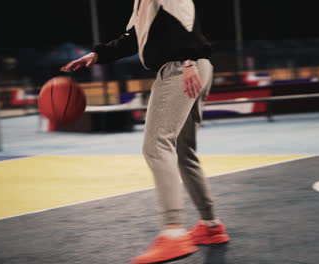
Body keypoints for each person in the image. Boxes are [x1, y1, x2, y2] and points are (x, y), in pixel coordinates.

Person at [60, 0, 229, 263]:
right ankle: (210, 225)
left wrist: (186, 60)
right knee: (183, 151)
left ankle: (173, 233)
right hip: (194, 65)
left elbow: (185, 18)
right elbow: (133, 37)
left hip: (182, 68)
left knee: (156, 146)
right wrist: (97, 55)